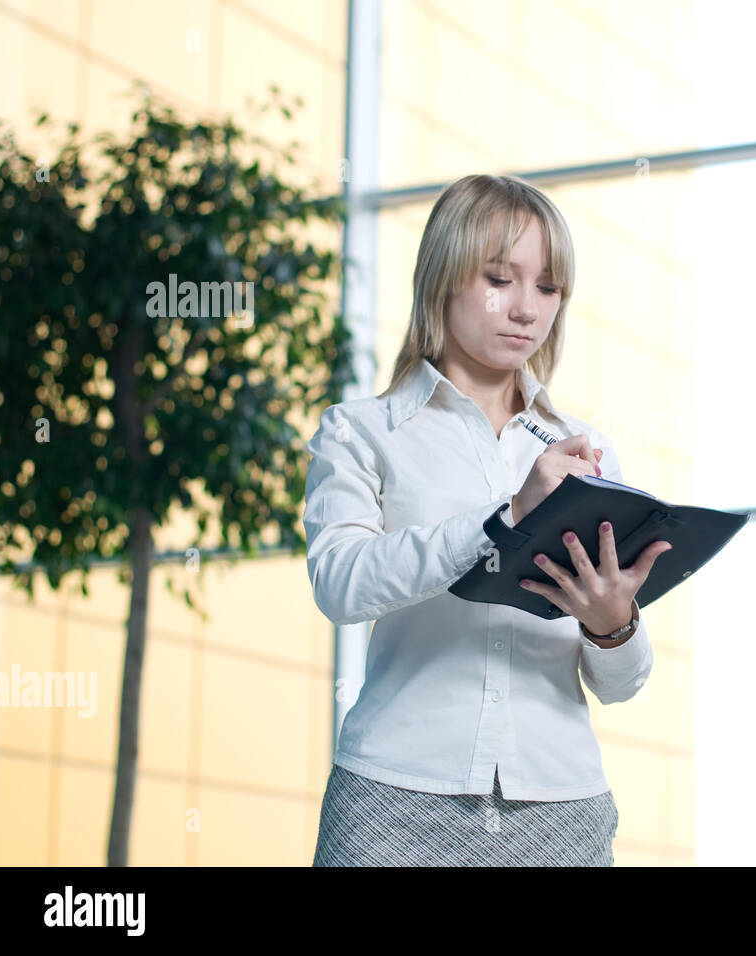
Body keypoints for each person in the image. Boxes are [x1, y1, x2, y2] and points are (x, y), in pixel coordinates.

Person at [306, 173, 671, 866]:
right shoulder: (360, 433)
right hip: (393, 800)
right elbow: (341, 584)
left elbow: (621, 684)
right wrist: (505, 517)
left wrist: (612, 623)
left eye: (548, 287)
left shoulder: (583, 452)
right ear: (444, 276)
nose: (527, 309)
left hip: (561, 810)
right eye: (500, 278)